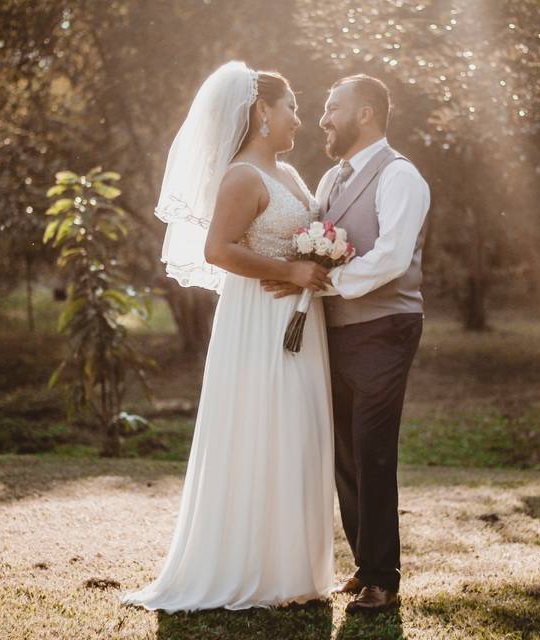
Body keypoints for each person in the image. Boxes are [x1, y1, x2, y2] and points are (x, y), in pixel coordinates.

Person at [119, 61, 335, 612]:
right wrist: (291, 272)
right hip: (259, 321)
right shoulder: (242, 175)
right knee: (263, 427)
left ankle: (294, 569)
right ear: (263, 111)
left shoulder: (287, 175)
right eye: (291, 108)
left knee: (298, 431)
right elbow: (217, 249)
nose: (299, 120)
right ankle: (252, 569)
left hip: (298, 319)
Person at [263, 74, 431, 613]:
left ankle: (384, 577)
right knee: (344, 451)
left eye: (332, 107)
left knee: (372, 448)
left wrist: (320, 281)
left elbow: (390, 258)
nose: (322, 118)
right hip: (334, 330)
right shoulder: (332, 180)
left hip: (386, 326)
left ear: (365, 114)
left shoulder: (401, 176)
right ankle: (365, 566)